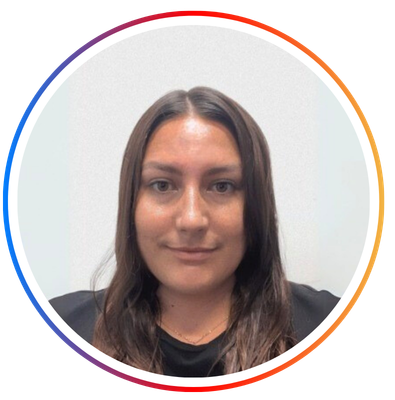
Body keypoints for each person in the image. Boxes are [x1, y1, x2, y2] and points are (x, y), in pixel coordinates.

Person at [50, 87, 339, 377]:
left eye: (222, 186)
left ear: (257, 205)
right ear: (131, 203)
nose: (191, 219)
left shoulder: (327, 323)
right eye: (162, 185)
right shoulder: (61, 326)